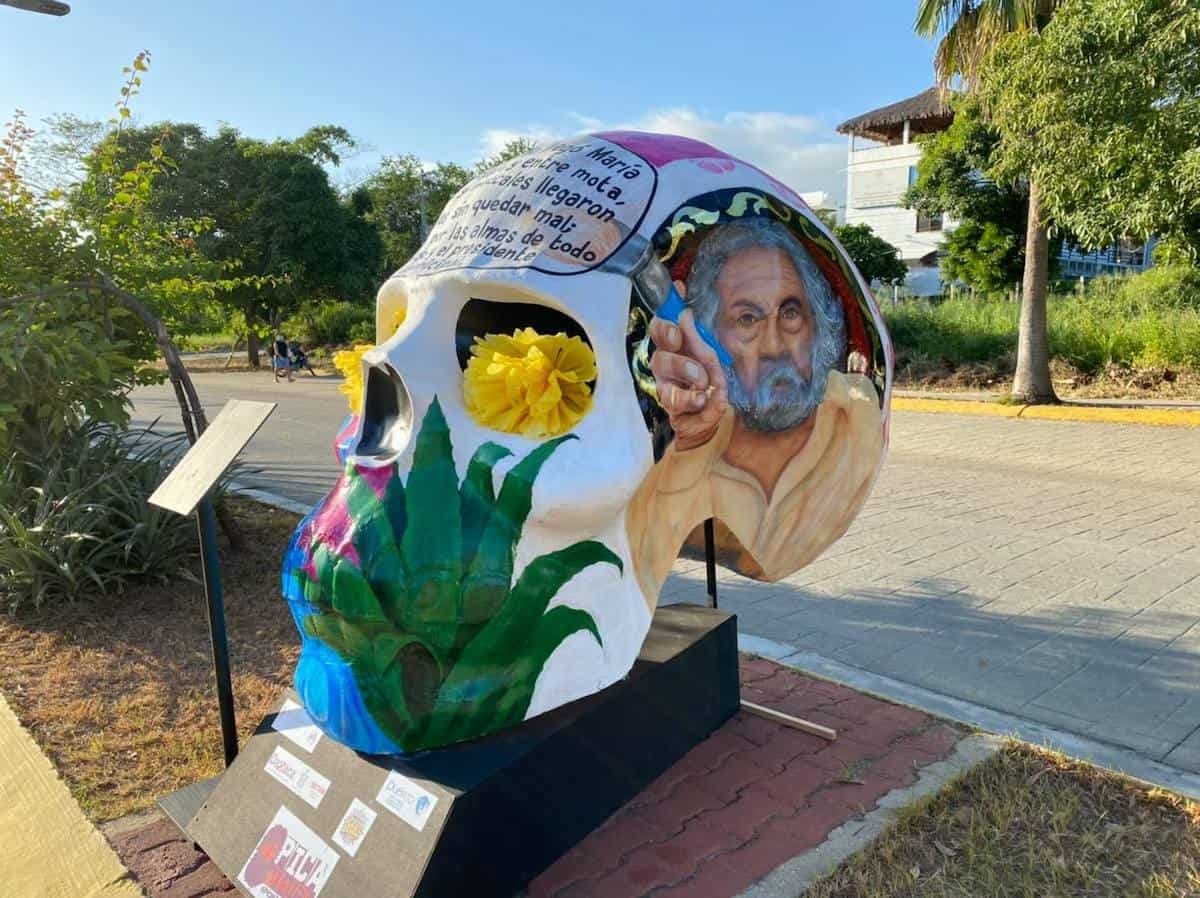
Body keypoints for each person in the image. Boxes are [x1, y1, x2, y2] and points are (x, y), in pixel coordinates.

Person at [626, 217, 884, 603]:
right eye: (747, 319)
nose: (775, 346)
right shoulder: (695, 444)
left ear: (819, 324)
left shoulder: (855, 418)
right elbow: (642, 554)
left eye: (791, 313)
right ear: (707, 336)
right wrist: (693, 445)